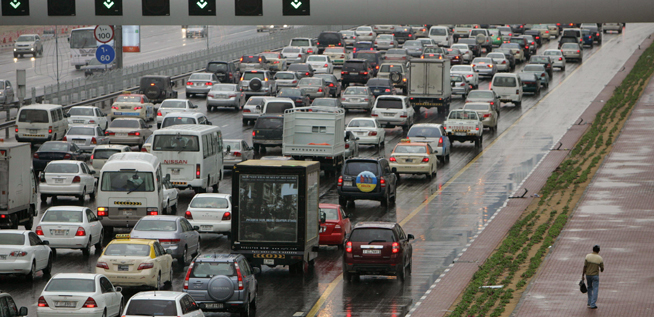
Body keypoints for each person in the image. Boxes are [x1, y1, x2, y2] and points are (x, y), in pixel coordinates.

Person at [582, 244, 604, 309]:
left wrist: (583, 275)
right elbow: (602, 268)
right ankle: (593, 304)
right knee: (595, 289)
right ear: (598, 251)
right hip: (595, 275)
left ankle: (589, 302)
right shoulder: (599, 258)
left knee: (589, 287)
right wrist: (601, 269)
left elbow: (585, 266)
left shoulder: (587, 256)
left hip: (588, 275)